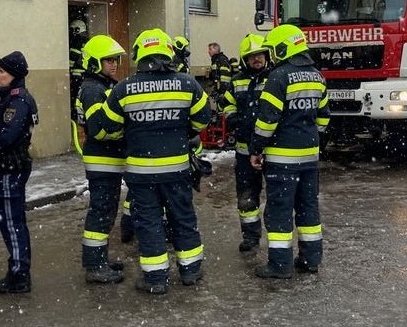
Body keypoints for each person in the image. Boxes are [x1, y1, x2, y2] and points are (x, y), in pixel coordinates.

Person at [96, 28, 211, 295]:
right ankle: (191, 271)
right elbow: (203, 120)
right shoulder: (188, 83)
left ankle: (155, 279)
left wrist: (135, 130)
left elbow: (109, 127)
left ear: (139, 54)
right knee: (182, 217)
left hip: (141, 172)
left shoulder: (124, 88)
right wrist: (180, 130)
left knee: (148, 222)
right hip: (177, 170)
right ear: (169, 53)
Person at [250, 24, 330, 279]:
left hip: (282, 159)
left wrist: (256, 148)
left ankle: (280, 265)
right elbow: (324, 119)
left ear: (283, 48)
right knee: (308, 209)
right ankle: (310, 260)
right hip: (309, 157)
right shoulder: (317, 76)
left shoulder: (278, 77)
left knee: (279, 212)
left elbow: (267, 121)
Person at [0, 51, 39, 294]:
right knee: (13, 221)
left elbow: (7, 137)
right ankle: (17, 271)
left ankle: (19, 275)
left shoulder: (17, 101)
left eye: (2, 71)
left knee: (12, 223)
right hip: (10, 167)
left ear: (13, 74)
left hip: (10, 169)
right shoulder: (16, 98)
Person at [76, 34, 129, 284]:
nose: (114, 64)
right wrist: (127, 132)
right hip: (102, 160)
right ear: (94, 62)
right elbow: (98, 129)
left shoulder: (103, 86)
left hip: (108, 159)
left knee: (107, 210)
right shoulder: (93, 89)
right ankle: (95, 266)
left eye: (115, 60)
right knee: (101, 211)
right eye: (108, 60)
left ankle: (100, 259)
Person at [221, 33, 271, 252]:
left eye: (259, 55)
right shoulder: (237, 80)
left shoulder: (275, 78)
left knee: (278, 196)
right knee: (246, 196)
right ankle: (250, 237)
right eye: (251, 56)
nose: (256, 59)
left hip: (272, 150)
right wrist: (233, 119)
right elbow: (228, 104)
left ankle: (279, 238)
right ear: (244, 59)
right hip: (244, 151)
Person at [69, 19, 89, 118]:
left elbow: (72, 58)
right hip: (86, 75)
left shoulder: (77, 40)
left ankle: (76, 116)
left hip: (77, 76)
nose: (72, 31)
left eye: (74, 29)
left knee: (76, 98)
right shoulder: (88, 40)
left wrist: (68, 68)